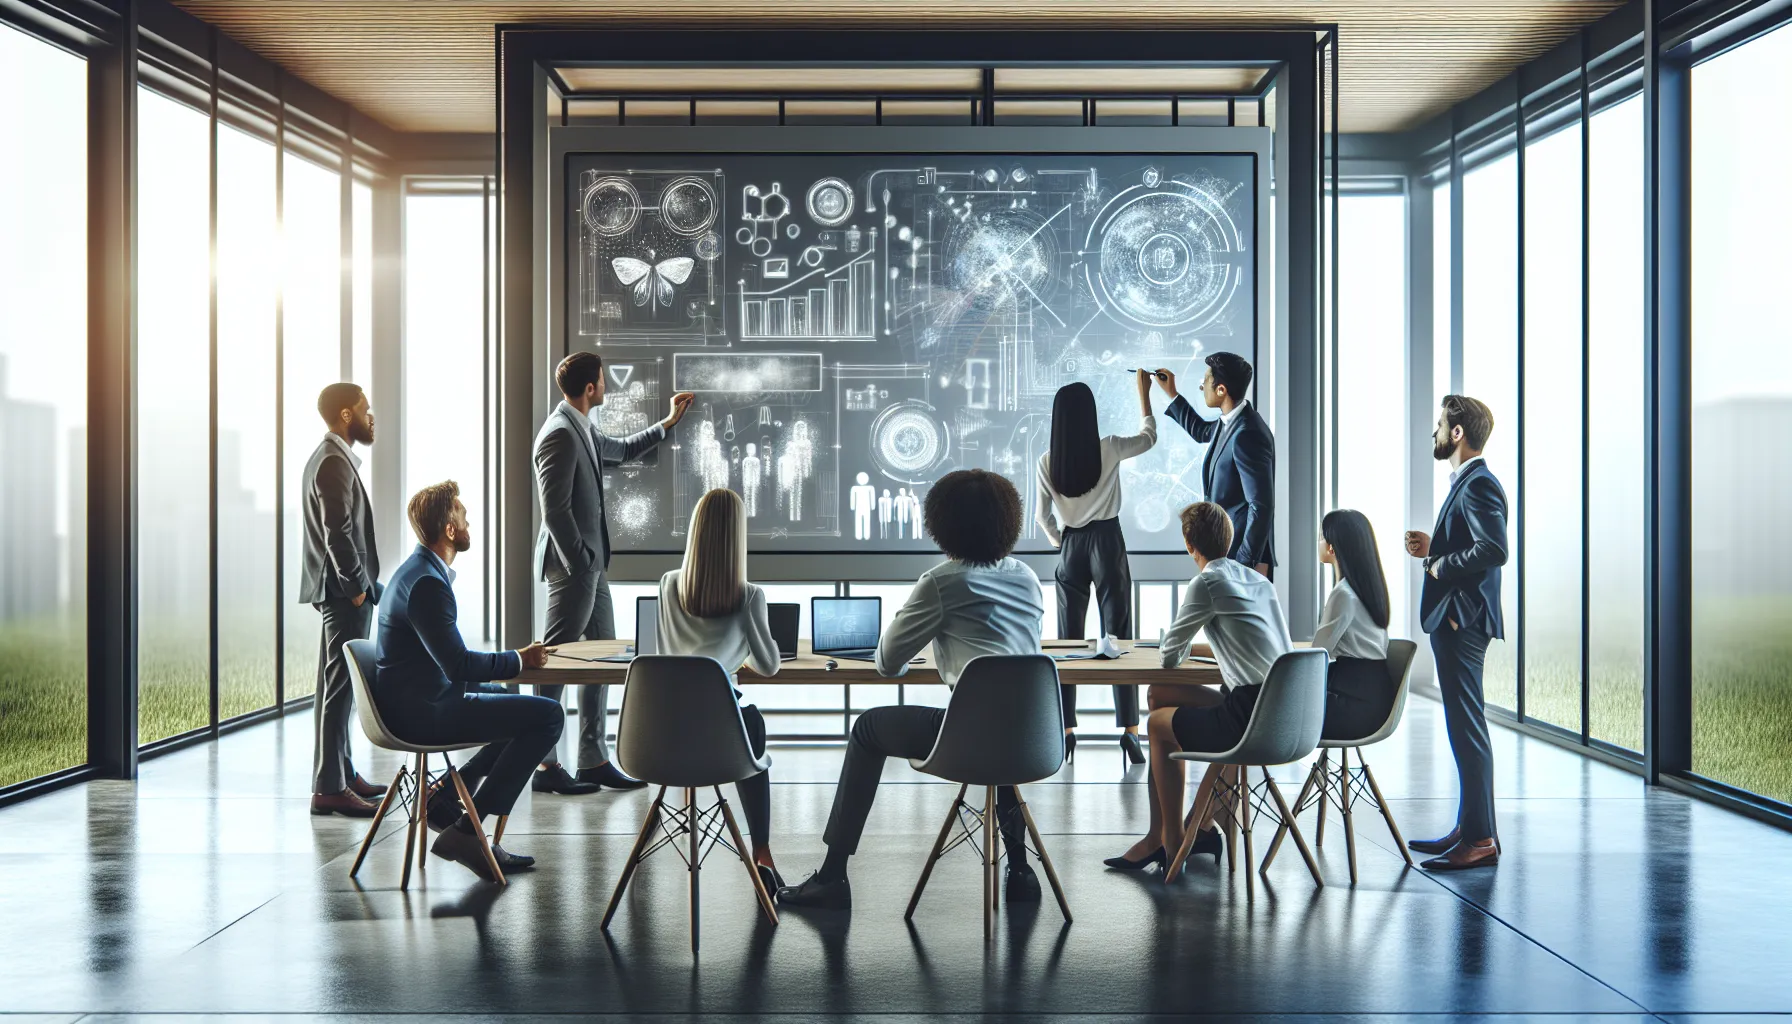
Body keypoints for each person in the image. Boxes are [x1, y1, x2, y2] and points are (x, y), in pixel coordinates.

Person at [777, 469, 1047, 910]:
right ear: (1008, 521)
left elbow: (886, 663)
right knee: (1004, 723)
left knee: (867, 729)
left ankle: (832, 876)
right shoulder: (1028, 578)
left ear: (944, 524)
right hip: (1032, 739)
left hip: (967, 738)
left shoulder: (942, 582)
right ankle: (1019, 867)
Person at [374, 481, 560, 881]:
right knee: (548, 716)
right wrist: (518, 659)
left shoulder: (417, 573)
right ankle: (465, 832)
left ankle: (449, 798)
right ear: (449, 530)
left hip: (418, 701)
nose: (468, 518)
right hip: (425, 713)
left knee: (508, 703)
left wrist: (509, 667)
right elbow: (458, 665)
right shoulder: (427, 584)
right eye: (461, 512)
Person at [531, 352, 693, 796]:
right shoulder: (560, 435)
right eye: (603, 381)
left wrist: (667, 424)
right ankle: (543, 764)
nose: (607, 387)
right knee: (556, 663)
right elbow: (555, 509)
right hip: (574, 568)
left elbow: (619, 450)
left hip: (591, 567)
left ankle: (592, 758)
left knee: (603, 659)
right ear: (590, 389)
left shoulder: (581, 426)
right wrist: (581, 561)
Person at [1105, 502, 1291, 873]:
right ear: (1229, 538)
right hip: (1283, 711)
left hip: (1248, 718)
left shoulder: (1207, 581)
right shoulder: (1256, 581)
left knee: (1157, 722)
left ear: (1190, 544)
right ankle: (1190, 828)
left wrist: (1187, 638)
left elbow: (1170, 656)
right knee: (1159, 694)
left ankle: (1170, 841)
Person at [655, 488, 784, 892]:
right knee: (751, 723)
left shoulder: (668, 584)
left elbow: (664, 657)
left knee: (743, 721)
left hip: (667, 734)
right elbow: (770, 665)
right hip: (723, 740)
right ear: (737, 539)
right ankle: (761, 850)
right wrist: (736, 658)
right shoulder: (749, 596)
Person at [1404, 395, 1507, 871]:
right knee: (1463, 730)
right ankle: (1469, 829)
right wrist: (1435, 548)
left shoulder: (1479, 483)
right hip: (1458, 619)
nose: (1435, 433)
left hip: (1462, 620)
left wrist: (1440, 564)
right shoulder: (1467, 482)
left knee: (1468, 731)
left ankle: (1481, 838)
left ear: (1458, 433)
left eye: (1441, 424)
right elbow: (1472, 543)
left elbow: (1494, 549)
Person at [1036, 372, 1157, 765]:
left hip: (1071, 545)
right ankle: (1130, 732)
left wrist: (1062, 540)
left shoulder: (1046, 461)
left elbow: (1040, 516)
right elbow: (1149, 437)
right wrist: (1144, 396)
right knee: (1119, 636)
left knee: (1067, 641)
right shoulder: (1110, 448)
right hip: (1107, 541)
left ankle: (1067, 731)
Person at [301, 382, 386, 818]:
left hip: (339, 591)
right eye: (365, 410)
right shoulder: (333, 461)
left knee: (335, 687)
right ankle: (330, 788)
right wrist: (355, 587)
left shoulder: (330, 458)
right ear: (347, 415)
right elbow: (338, 531)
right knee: (340, 690)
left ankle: (341, 773)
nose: (372, 417)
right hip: (342, 593)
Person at [1153, 354, 1276, 577]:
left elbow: (1260, 507)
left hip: (1242, 557)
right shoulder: (1230, 421)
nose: (1202, 387)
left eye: (1205, 381)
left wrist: (1243, 564)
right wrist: (1171, 393)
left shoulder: (1247, 433)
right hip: (1228, 553)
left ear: (1221, 390)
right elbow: (1201, 431)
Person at [1314, 509, 1394, 741]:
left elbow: (1317, 652)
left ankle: (1233, 774)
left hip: (1354, 707)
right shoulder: (1366, 591)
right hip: (1372, 701)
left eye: (1321, 537)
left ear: (1331, 548)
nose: (1318, 542)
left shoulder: (1343, 594)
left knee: (1268, 712)